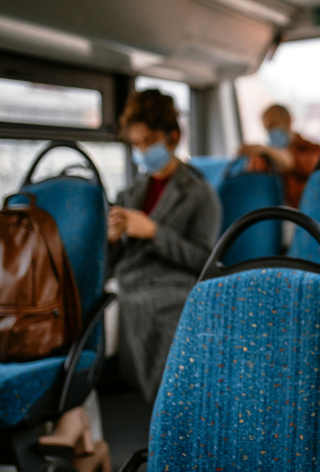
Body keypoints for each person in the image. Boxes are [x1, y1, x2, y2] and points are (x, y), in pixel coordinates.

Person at [108, 89, 221, 403]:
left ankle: (169, 404)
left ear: (172, 138)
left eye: (149, 142)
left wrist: (154, 232)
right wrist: (112, 240)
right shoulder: (129, 193)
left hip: (174, 282)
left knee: (163, 310)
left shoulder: (200, 194)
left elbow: (204, 258)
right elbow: (111, 262)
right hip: (129, 279)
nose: (143, 151)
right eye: (136, 143)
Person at [237, 104, 320, 208]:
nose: (270, 132)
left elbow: (292, 162)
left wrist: (265, 149)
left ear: (288, 121)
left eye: (273, 126)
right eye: (267, 129)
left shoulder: (315, 150)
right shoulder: (268, 158)